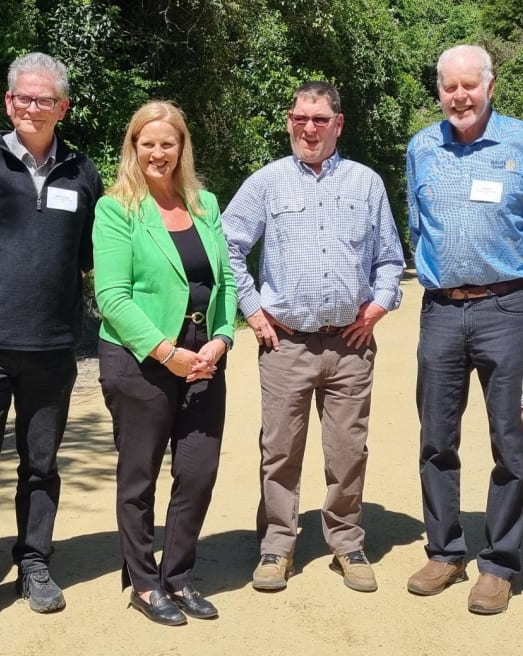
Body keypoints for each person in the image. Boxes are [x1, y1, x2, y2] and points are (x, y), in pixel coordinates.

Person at [0, 52, 103, 641]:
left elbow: (86, 253)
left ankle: (33, 562)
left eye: (45, 99)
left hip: (54, 345)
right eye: (22, 98)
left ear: (63, 107)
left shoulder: (83, 174)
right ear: (9, 103)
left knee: (41, 466)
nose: (32, 107)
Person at [221, 81, 405, 593]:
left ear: (338, 124)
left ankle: (346, 541)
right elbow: (227, 246)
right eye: (300, 118)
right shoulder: (267, 183)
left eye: (320, 119)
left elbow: (391, 259)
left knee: (348, 450)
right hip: (287, 344)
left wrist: (376, 307)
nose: (309, 128)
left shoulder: (366, 184)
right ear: (289, 120)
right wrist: (254, 312)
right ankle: (277, 545)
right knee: (280, 449)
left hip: (351, 344)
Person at [405, 44, 523, 614]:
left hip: (506, 308)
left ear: (490, 86)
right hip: (441, 309)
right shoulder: (421, 146)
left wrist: (505, 281)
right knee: (436, 438)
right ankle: (445, 551)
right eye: (449, 87)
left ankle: (498, 563)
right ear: (439, 89)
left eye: (470, 85)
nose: (460, 97)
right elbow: (418, 226)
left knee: (510, 439)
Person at [94, 100, 236, 626]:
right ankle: (145, 584)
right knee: (139, 477)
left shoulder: (205, 203)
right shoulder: (116, 209)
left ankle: (178, 576)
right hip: (141, 358)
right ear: (134, 148)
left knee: (198, 473)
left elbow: (223, 281)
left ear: (182, 148)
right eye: (147, 143)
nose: (158, 152)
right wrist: (166, 352)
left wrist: (221, 339)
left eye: (168, 143)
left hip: (203, 354)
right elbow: (112, 295)